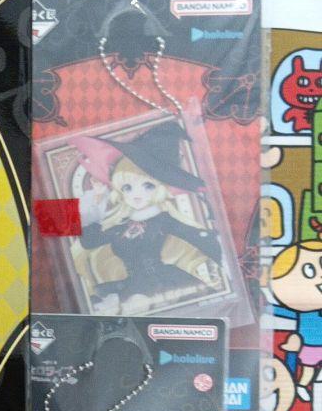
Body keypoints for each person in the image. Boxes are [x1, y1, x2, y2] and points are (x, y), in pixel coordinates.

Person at [73, 122, 223, 316]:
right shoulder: (119, 225)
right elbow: (88, 240)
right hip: (133, 285)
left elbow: (197, 236)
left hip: (160, 282)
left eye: (148, 186)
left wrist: (221, 253)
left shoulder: (163, 220)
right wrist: (97, 198)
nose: (136, 195)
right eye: (127, 187)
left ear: (160, 188)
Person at [271, 240, 322, 400]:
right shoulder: (305, 307)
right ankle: (301, 385)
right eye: (309, 270)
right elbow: (283, 311)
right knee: (308, 369)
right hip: (311, 344)